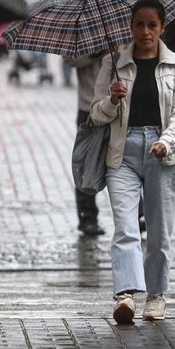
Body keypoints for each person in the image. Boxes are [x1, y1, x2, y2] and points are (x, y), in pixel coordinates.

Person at [90, 0, 175, 324]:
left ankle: (156, 294)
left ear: (162, 27)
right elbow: (95, 114)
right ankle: (124, 295)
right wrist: (111, 99)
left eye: (152, 25)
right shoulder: (113, 63)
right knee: (125, 226)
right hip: (122, 153)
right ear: (130, 27)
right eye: (139, 24)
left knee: (159, 233)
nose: (145, 31)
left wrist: (166, 141)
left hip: (164, 155)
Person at [64, 51, 107, 236]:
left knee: (126, 165)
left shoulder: (125, 32)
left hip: (119, 108)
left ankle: (137, 215)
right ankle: (88, 218)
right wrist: (97, 52)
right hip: (89, 108)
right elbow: (70, 60)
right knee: (88, 167)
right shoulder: (84, 35)